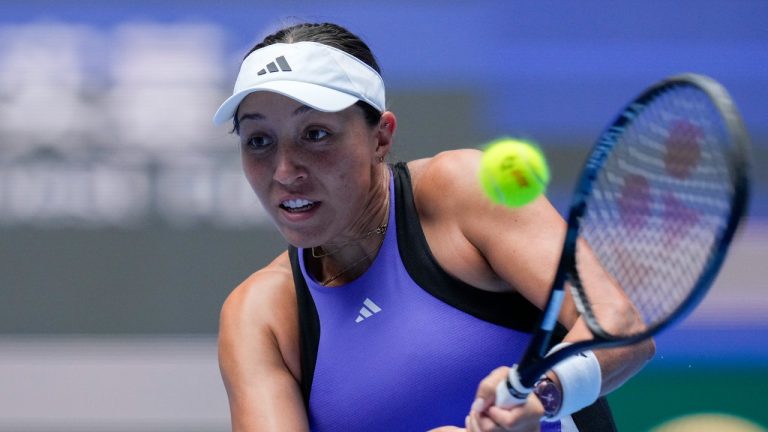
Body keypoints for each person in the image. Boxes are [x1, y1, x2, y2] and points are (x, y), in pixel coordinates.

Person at [215, 22, 654, 432]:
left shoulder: (464, 190)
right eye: (259, 140)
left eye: (315, 134)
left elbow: (619, 326)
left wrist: (543, 393)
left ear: (380, 137)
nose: (285, 171)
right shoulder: (260, 315)